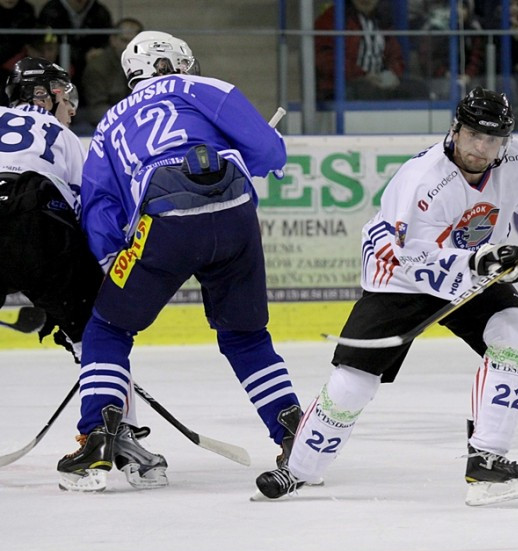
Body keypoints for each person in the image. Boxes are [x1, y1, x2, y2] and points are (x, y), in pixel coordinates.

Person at [253, 87, 518, 506]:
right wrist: (484, 261)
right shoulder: (423, 181)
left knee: (514, 331)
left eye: (493, 139)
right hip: (401, 276)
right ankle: (299, 469)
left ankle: (487, 461)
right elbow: (416, 256)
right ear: (455, 130)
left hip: (476, 267)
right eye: (474, 135)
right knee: (354, 382)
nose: (482, 148)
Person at [56, 31, 305, 492]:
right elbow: (270, 153)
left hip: (163, 222)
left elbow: (99, 209)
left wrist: (115, 257)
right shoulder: (207, 88)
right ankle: (295, 434)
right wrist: (253, 158)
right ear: (173, 64)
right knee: (246, 336)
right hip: (234, 216)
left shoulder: (109, 123)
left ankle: (97, 436)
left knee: (108, 328)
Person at [0, 57, 166, 486]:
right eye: (65, 96)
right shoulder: (67, 139)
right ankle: (114, 433)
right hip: (33, 220)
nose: (71, 108)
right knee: (99, 329)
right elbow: (84, 214)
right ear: (47, 94)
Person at [78, 17, 143, 130]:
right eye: (124, 40)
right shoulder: (97, 67)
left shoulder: (146, 64)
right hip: (105, 124)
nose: (129, 47)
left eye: (134, 42)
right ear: (113, 40)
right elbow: (96, 109)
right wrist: (129, 119)